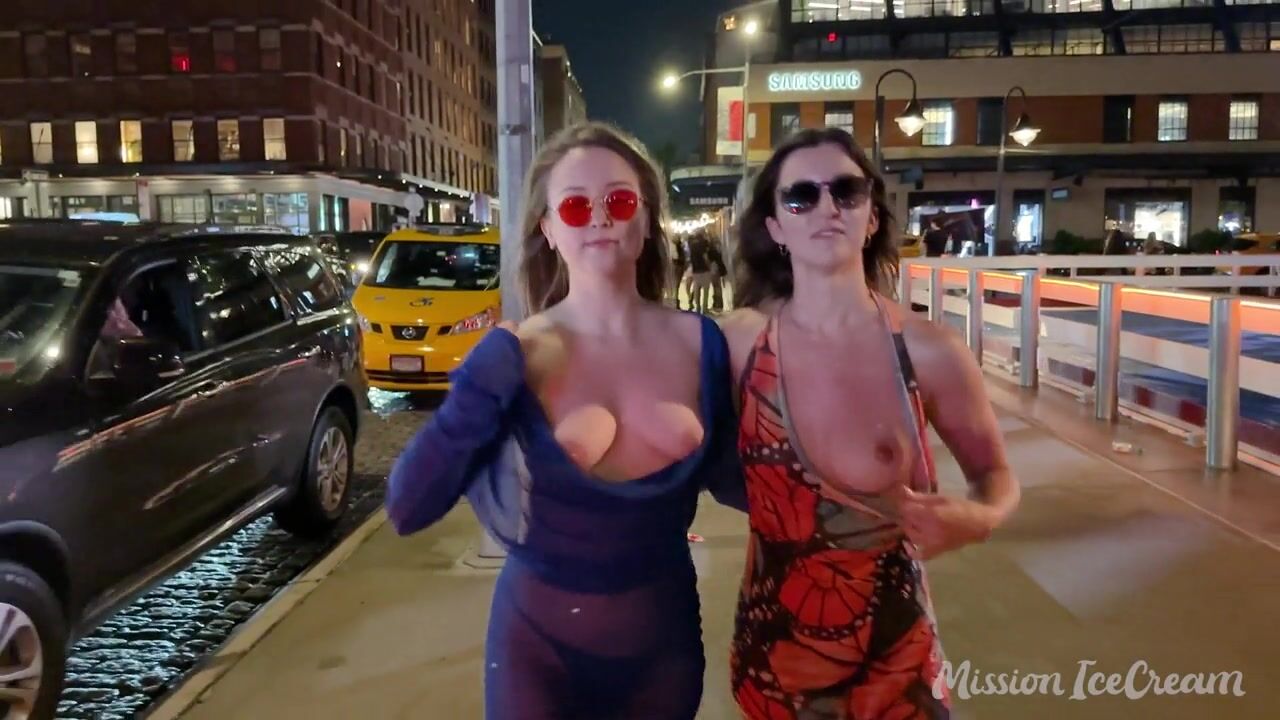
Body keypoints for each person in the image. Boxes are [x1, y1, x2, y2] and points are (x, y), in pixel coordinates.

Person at [384, 121, 746, 720]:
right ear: (548, 229)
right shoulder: (517, 356)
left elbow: (748, 485)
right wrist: (476, 392)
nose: (599, 217)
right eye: (576, 206)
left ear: (646, 219)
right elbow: (407, 506)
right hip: (536, 653)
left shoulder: (702, 344)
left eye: (619, 200)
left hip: (664, 648)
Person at [719, 127, 1020, 719]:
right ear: (775, 227)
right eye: (801, 196)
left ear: (872, 217)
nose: (827, 207)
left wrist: (979, 517)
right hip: (777, 658)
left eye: (847, 191)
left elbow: (995, 474)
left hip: (898, 662)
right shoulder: (738, 346)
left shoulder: (930, 351)